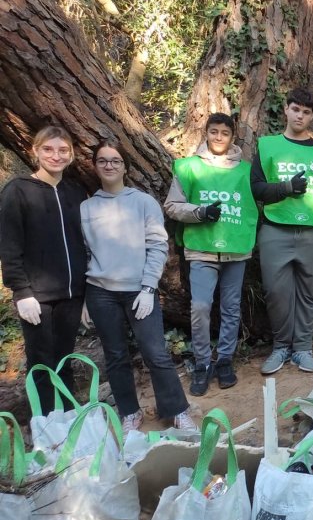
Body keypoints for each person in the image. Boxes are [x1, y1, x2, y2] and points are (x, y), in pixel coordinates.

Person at [81, 141, 195, 432]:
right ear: (95, 166)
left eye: (116, 161)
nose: (109, 166)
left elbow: (158, 246)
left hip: (138, 290)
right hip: (100, 292)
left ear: (125, 167)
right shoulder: (86, 208)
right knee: (116, 355)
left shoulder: (143, 202)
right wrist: (84, 298)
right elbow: (84, 252)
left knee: (155, 352)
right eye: (103, 161)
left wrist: (148, 287)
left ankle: (177, 410)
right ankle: (130, 412)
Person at [251, 88, 313, 373]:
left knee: (309, 291)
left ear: (312, 115)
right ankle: (281, 348)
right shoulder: (267, 145)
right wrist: (287, 188)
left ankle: (302, 348)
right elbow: (257, 188)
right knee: (276, 292)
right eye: (296, 109)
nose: (300, 115)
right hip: (275, 229)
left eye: (306, 111)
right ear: (286, 110)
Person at [165, 112, 257, 396]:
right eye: (214, 132)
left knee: (231, 308)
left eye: (224, 133)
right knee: (201, 307)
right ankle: (203, 362)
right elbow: (172, 205)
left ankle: (225, 358)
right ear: (206, 133)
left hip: (235, 250)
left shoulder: (246, 169)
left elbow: (258, 202)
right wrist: (199, 212)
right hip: (201, 249)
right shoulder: (188, 167)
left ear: (232, 137)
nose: (219, 137)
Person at [0, 127, 87, 415]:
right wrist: (21, 291)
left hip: (73, 293)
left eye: (63, 150)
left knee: (65, 356)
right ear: (35, 151)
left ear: (71, 154)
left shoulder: (75, 191)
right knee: (41, 360)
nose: (56, 155)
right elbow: (9, 244)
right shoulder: (18, 190)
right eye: (48, 149)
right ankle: (46, 421)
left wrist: (85, 292)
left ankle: (70, 415)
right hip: (36, 296)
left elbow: (83, 241)